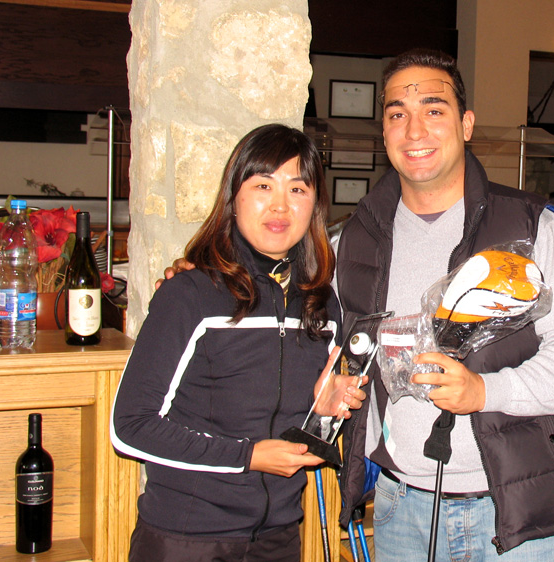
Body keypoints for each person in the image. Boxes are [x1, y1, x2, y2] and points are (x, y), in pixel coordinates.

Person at [334, 49, 554, 561]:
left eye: (434, 110)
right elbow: (314, 325)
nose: (414, 130)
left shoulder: (530, 226)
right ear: (385, 132)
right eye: (397, 114)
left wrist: (485, 391)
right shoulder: (357, 237)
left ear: (466, 125)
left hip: (518, 518)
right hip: (401, 511)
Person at [111, 124, 366, 562]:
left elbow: (295, 435)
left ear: (315, 206)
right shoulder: (190, 294)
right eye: (263, 185)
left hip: (278, 538)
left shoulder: (322, 305)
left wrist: (322, 414)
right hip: (186, 538)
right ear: (234, 196)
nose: (281, 205)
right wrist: (248, 457)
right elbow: (130, 427)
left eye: (298, 189)